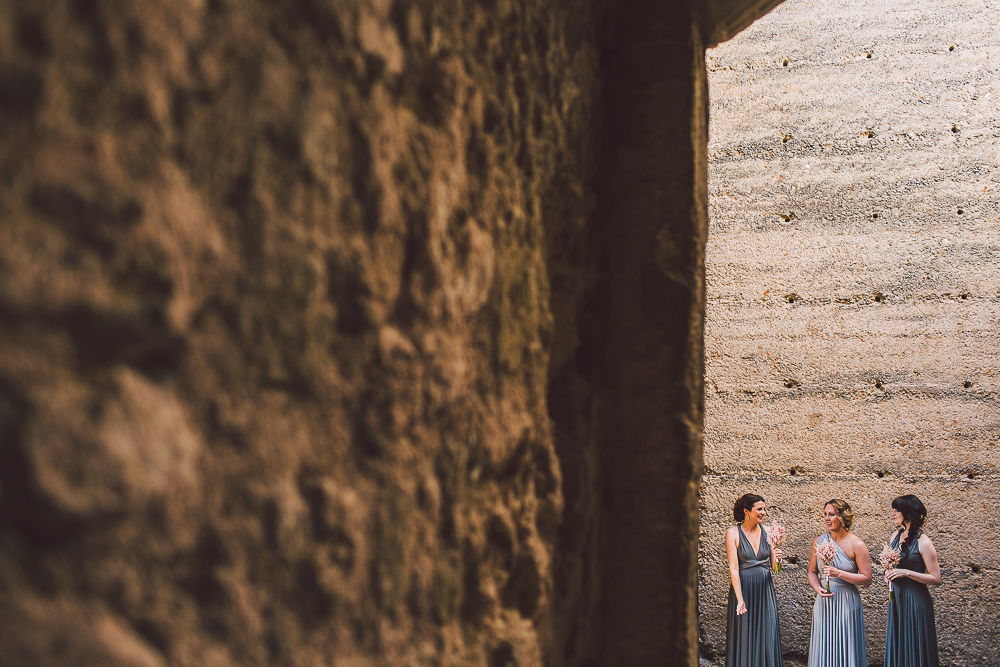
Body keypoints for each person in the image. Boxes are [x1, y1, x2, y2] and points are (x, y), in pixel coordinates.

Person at [806, 499, 872, 667]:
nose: (827, 518)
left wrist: (838, 573)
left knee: (846, 645)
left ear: (843, 517)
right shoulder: (818, 541)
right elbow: (812, 572)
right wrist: (818, 588)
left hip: (846, 602)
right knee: (824, 645)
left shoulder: (857, 544)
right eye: (825, 514)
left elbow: (867, 579)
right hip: (824, 602)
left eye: (832, 514)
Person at [725, 493, 784, 667]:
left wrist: (778, 559)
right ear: (746, 511)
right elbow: (734, 568)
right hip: (743, 589)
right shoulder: (732, 533)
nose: (764, 513)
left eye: (764, 509)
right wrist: (740, 599)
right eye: (759, 509)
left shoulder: (768, 532)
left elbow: (775, 569)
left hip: (765, 590)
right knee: (744, 634)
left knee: (767, 633)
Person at [883, 494, 941, 667]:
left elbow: (936, 578)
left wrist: (907, 573)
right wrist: (889, 574)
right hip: (897, 598)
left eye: (896, 510)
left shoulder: (924, 542)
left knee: (914, 642)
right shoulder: (895, 535)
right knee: (899, 641)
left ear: (907, 513)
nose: (893, 514)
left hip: (915, 600)